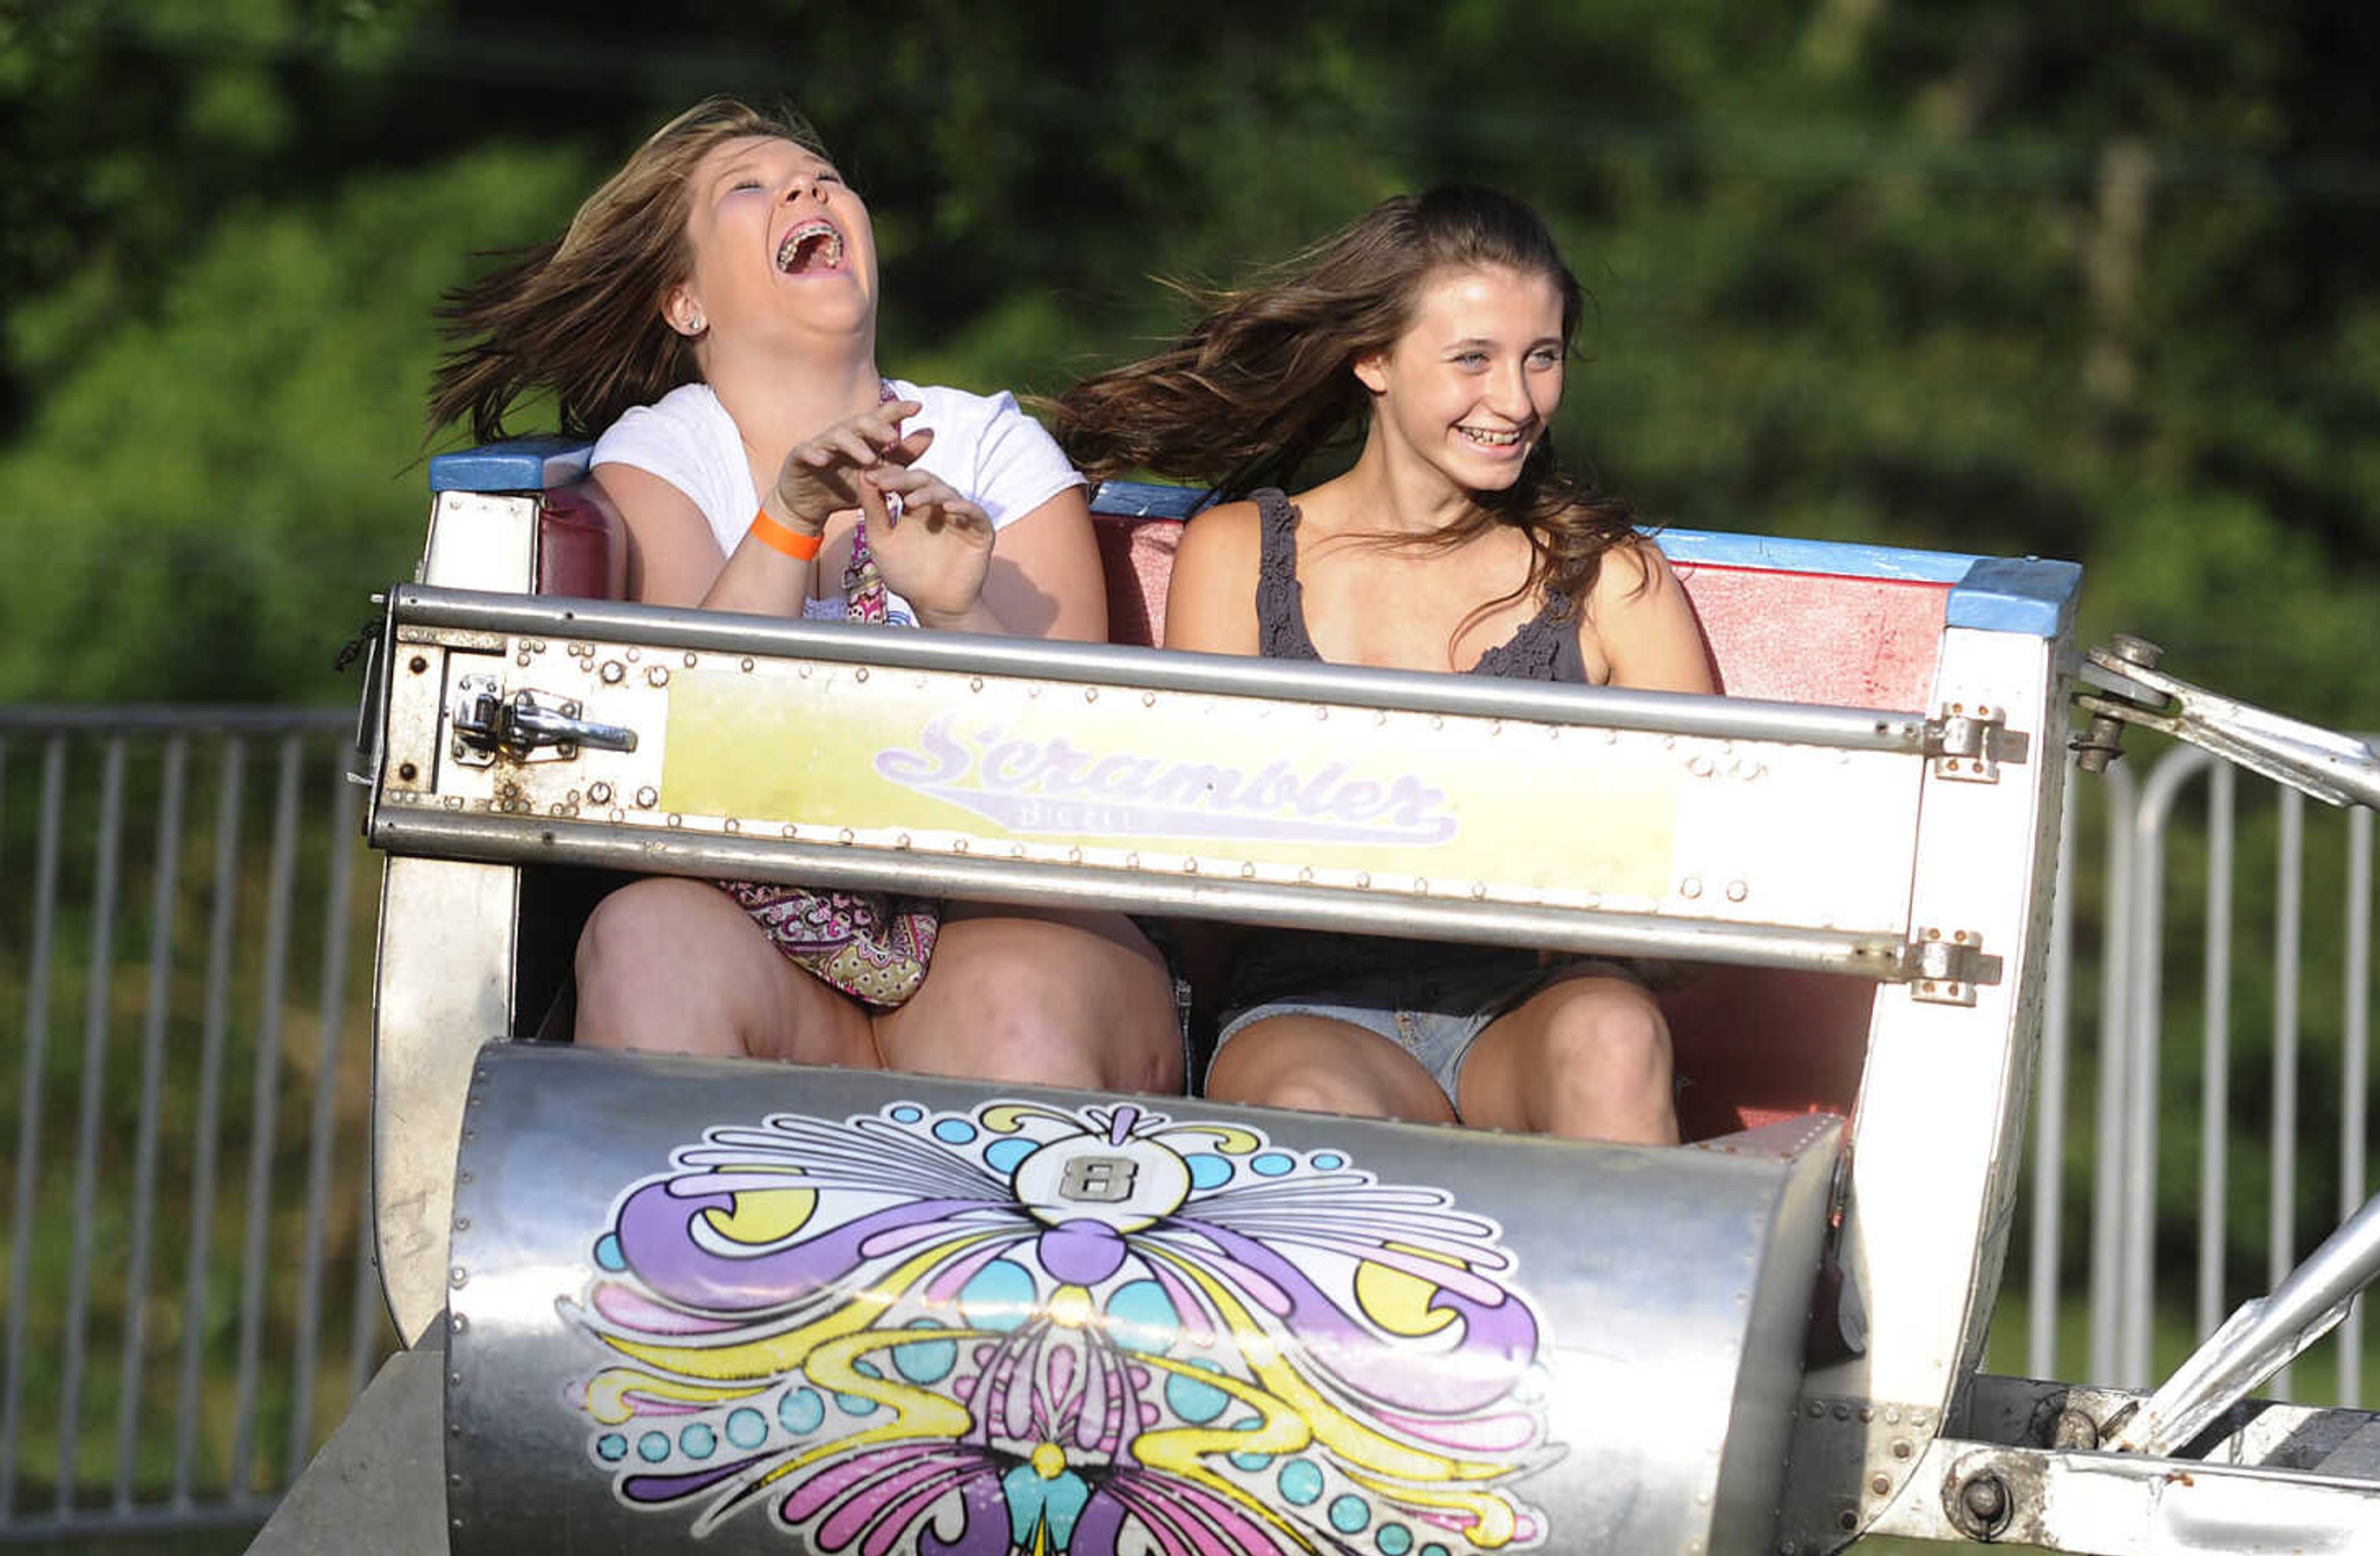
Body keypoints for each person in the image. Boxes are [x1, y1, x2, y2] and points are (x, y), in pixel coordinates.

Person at [427, 98, 1179, 1092]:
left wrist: (956, 608)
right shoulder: (665, 454)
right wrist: (785, 519)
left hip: (987, 921)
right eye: (749, 186)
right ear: (685, 300)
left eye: (821, 175)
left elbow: (1069, 781)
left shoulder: (993, 446)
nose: (806, 187)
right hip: (757, 943)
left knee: (1018, 1003)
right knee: (644, 939)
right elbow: (683, 756)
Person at [1051, 185, 1714, 1144]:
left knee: (1612, 1035)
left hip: (1520, 1001)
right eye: (1472, 360)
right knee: (1317, 1108)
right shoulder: (1242, 552)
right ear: (1374, 358)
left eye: (1542, 358)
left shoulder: (1610, 578)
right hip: (1308, 1003)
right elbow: (1195, 847)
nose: (1516, 401)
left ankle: (1626, 1284)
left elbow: (1704, 874)